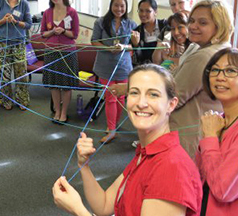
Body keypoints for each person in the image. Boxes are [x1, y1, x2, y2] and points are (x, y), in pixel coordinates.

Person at [53, 64, 202, 216]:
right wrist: (83, 165)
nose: (141, 103)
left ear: (171, 104)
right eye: (134, 93)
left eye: (153, 95)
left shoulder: (171, 168)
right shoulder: (147, 153)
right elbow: (104, 206)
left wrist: (78, 210)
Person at [110, 0, 234, 159]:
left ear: (219, 25)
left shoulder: (204, 56)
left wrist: (131, 91)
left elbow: (174, 96)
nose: (194, 26)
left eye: (203, 23)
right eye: (192, 21)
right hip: (201, 132)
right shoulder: (218, 49)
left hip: (188, 136)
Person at [196, 48, 238, 216]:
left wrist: (210, 137)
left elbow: (222, 190)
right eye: (215, 70)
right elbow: (200, 175)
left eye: (230, 71)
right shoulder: (218, 120)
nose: (220, 77)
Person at [91, 0, 137, 143]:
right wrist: (108, 48)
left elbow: (135, 46)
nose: (119, 8)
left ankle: (114, 125)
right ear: (111, 6)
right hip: (105, 65)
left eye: (122, 6)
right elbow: (94, 41)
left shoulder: (131, 24)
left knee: (121, 97)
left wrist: (124, 46)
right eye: (116, 5)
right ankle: (112, 130)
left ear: (126, 7)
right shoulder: (100, 22)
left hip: (123, 66)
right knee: (110, 97)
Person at [41, 0, 79, 123]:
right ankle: (56, 111)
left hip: (67, 52)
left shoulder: (72, 12)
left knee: (66, 85)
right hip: (51, 52)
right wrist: (52, 31)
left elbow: (74, 34)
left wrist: (63, 31)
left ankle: (64, 113)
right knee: (54, 85)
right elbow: (43, 34)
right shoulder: (47, 12)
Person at [0, 0, 32, 110]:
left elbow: (29, 24)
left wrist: (16, 22)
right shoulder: (0, 2)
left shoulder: (24, 3)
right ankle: (6, 100)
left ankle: (22, 100)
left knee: (21, 74)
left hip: (18, 43)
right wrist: (3, 20)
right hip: (3, 44)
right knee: (4, 76)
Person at [130, 0, 168, 65]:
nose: (143, 14)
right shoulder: (137, 31)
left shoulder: (165, 25)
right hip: (146, 70)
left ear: (155, 12)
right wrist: (136, 45)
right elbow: (138, 60)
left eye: (148, 11)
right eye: (141, 11)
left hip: (165, 67)